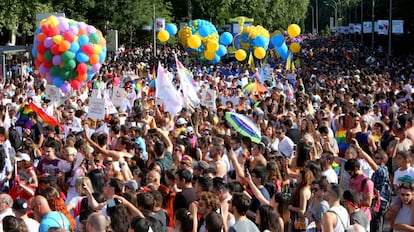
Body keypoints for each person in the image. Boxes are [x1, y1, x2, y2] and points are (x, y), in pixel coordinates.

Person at [344, 158, 374, 227]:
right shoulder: (352, 178)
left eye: (350, 172)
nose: (349, 174)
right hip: (352, 215)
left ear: (356, 168)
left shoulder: (366, 182)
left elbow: (368, 203)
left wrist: (353, 202)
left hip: (362, 216)